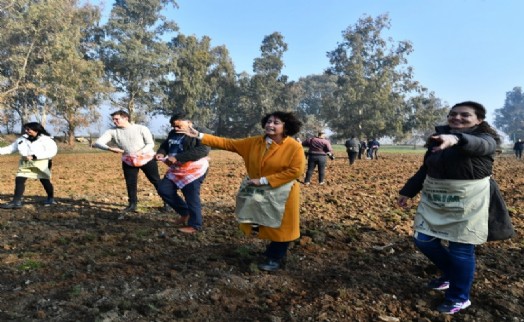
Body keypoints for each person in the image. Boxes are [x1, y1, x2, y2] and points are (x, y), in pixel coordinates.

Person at [397, 101, 501, 314]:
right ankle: (452, 274)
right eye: (453, 114)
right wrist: (408, 191)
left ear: (479, 120)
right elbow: (426, 169)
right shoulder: (437, 139)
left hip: (468, 204)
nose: (457, 118)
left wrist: (455, 139)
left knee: (460, 249)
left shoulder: (484, 139)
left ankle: (459, 296)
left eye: (465, 115)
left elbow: (481, 145)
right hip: (436, 200)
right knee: (423, 240)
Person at [177, 111, 305, 271]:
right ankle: (273, 250)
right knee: (258, 216)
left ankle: (275, 257)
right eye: (269, 121)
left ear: (286, 127)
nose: (270, 125)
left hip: (282, 190)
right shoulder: (254, 142)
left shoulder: (293, 147)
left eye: (276, 123)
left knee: (282, 225)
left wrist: (265, 180)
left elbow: (296, 171)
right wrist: (199, 135)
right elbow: (227, 143)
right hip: (257, 188)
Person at [94, 110, 161, 212]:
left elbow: (150, 144)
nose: (114, 121)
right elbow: (98, 142)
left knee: (155, 180)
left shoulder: (141, 128)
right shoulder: (112, 131)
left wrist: (140, 152)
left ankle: (168, 202)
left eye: (117, 119)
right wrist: (110, 149)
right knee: (130, 182)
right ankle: (132, 204)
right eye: (113, 119)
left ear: (126, 118)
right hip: (128, 160)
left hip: (146, 158)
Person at [155, 112, 211, 234]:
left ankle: (195, 225)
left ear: (189, 122)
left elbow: (203, 150)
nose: (176, 129)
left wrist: (178, 157)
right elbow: (165, 144)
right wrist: (161, 152)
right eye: (174, 126)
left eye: (178, 126)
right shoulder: (173, 133)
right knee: (164, 189)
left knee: (191, 195)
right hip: (177, 169)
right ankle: (185, 213)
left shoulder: (201, 132)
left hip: (194, 169)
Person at [0, 122, 58, 209]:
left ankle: (50, 198)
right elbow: (10, 149)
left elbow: (52, 151)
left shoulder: (47, 140)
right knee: (19, 179)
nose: (26, 131)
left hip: (41, 162)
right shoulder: (22, 139)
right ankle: (16, 202)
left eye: (28, 129)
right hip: (25, 162)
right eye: (26, 129)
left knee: (44, 180)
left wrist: (35, 156)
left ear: (36, 130)